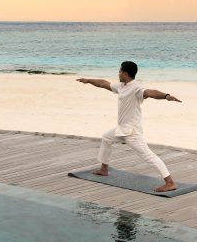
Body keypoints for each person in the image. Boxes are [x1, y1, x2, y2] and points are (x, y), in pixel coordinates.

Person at [77, 61, 181, 192]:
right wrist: (88, 80)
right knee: (106, 138)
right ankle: (104, 169)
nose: (118, 73)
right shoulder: (121, 86)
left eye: (120, 71)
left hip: (132, 132)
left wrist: (166, 96)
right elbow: (104, 84)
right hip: (121, 129)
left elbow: (150, 92)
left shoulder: (136, 88)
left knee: (148, 156)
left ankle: (170, 182)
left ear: (125, 73)